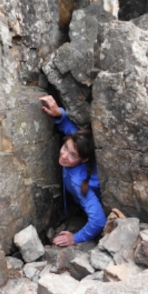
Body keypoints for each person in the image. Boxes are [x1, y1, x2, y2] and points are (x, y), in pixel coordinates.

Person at [39, 95, 106, 247]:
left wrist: (75, 238)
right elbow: (70, 130)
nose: (64, 156)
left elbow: (99, 220)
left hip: (88, 204)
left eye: (73, 155)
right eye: (65, 148)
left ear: (84, 160)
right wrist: (59, 114)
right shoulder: (78, 144)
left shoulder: (78, 182)